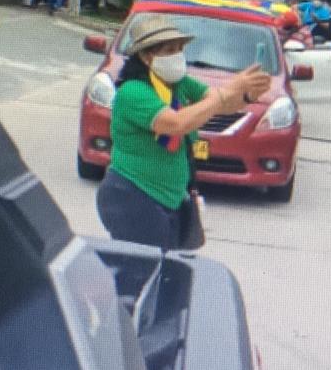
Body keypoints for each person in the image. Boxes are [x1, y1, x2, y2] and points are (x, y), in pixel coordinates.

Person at [97, 15, 271, 249]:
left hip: (170, 200)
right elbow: (176, 124)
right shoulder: (133, 92)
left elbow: (220, 103)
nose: (177, 55)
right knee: (144, 275)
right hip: (134, 197)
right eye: (169, 50)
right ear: (147, 56)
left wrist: (246, 94)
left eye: (179, 49)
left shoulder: (179, 84)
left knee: (170, 273)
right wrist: (226, 92)